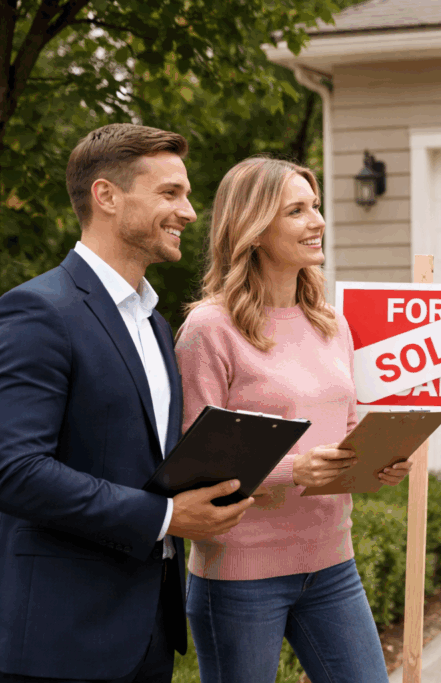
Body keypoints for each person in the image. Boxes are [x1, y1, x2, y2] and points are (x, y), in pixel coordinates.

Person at [0, 124, 253, 682]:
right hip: (59, 640)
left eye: (186, 195)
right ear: (107, 197)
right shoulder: (38, 311)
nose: (189, 213)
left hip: (148, 632)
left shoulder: (156, 324)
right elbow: (15, 470)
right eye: (170, 193)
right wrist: (165, 516)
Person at [174, 157, 409, 683]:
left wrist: (376, 460)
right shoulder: (209, 329)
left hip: (331, 562)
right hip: (239, 573)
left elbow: (345, 428)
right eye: (297, 211)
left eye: (316, 207)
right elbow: (195, 458)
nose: (317, 221)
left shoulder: (329, 321)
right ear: (254, 229)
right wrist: (296, 470)